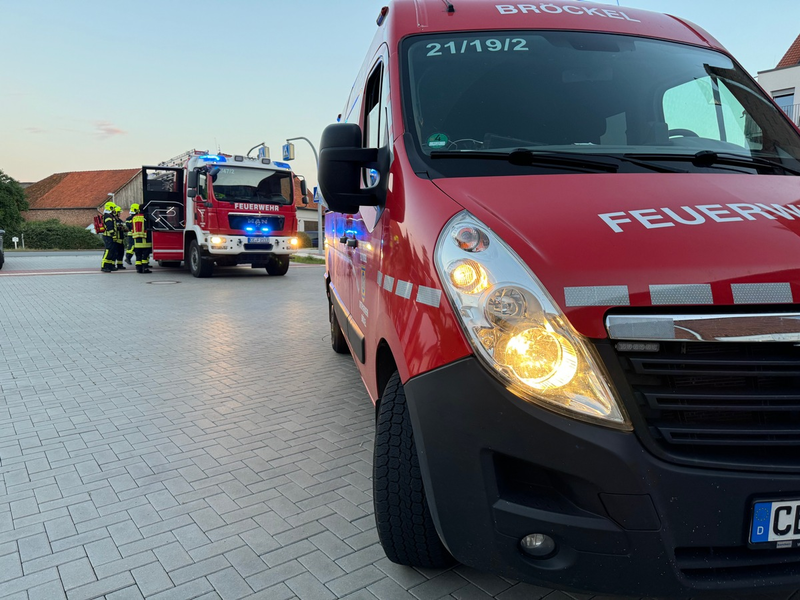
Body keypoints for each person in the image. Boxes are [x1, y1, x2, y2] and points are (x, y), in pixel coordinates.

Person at [131, 204, 152, 273]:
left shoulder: (134, 217)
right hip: (146, 239)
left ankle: (138, 268)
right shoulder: (146, 217)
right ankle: (145, 268)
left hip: (137, 240)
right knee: (145, 256)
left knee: (138, 256)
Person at [100, 202, 117, 273]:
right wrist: (113, 234)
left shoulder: (110, 216)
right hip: (108, 236)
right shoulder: (108, 216)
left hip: (109, 236)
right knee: (108, 251)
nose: (114, 210)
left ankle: (109, 265)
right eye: (113, 209)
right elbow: (109, 227)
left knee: (111, 251)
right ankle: (104, 266)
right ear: (110, 208)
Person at [113, 205, 127, 270]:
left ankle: (120, 265)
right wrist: (119, 228)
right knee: (115, 253)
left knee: (121, 252)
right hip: (115, 239)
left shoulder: (120, 220)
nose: (120, 213)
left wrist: (124, 229)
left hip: (121, 239)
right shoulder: (113, 220)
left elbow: (124, 228)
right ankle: (113, 264)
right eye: (119, 212)